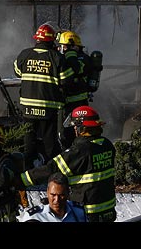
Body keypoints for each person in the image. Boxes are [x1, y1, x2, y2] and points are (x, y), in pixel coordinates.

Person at [18, 105, 116, 222]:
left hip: (87, 213)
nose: (74, 129)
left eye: (75, 126)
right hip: (108, 211)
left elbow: (52, 169)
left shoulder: (79, 151)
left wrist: (22, 179)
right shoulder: (107, 145)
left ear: (82, 128)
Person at [13, 23, 74, 166]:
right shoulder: (57, 58)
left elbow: (17, 72)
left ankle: (27, 172)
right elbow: (66, 80)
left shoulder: (24, 54)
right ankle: (50, 173)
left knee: (28, 143)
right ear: (52, 41)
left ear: (37, 39)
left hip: (27, 107)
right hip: (48, 107)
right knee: (50, 144)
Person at [56, 30, 99, 149]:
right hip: (70, 103)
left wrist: (69, 55)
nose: (61, 49)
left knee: (71, 132)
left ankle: (75, 152)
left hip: (76, 103)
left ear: (72, 46)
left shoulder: (82, 59)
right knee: (66, 132)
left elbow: (76, 71)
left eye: (63, 46)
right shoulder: (73, 58)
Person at [18, 172, 87, 222]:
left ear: (68, 193)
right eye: (53, 195)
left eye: (61, 195)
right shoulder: (34, 216)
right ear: (47, 192)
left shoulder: (80, 212)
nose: (57, 200)